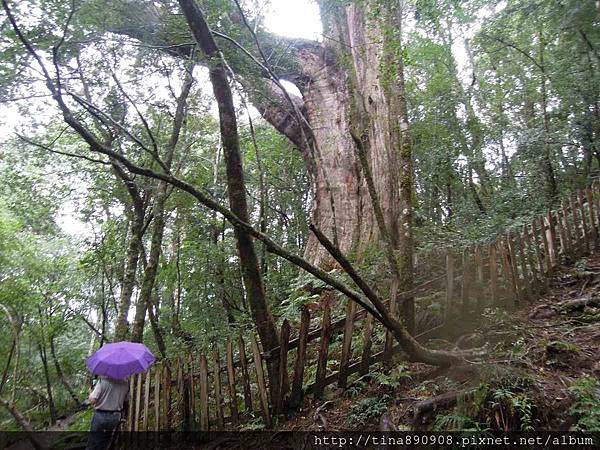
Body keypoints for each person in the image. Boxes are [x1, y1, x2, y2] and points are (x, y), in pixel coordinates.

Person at [85, 376, 129, 450]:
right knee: (107, 442)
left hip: (100, 416)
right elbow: (126, 401)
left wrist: (90, 392)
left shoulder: (102, 382)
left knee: (93, 443)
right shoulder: (125, 384)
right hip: (115, 417)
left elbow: (93, 400)